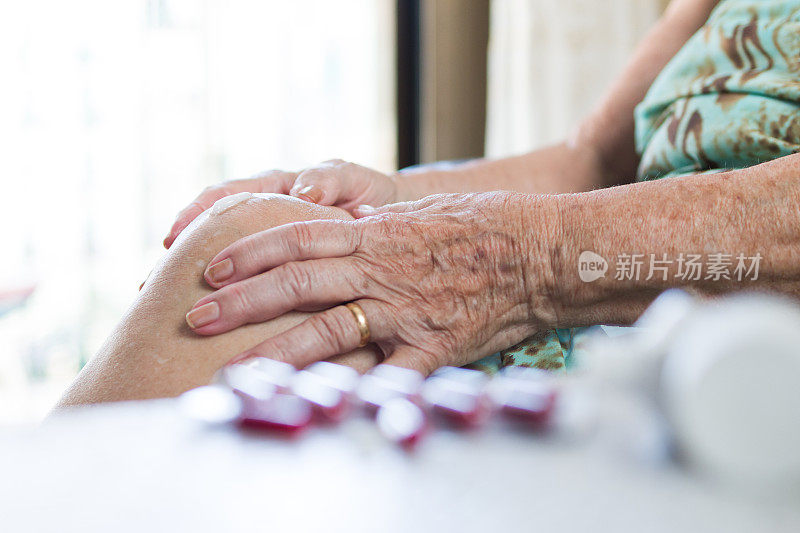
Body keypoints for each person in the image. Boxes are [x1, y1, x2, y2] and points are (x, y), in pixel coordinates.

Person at [59, 0, 800, 404]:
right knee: (252, 245)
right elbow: (593, 160)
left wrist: (520, 263)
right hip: (605, 277)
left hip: (737, 357)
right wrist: (394, 204)